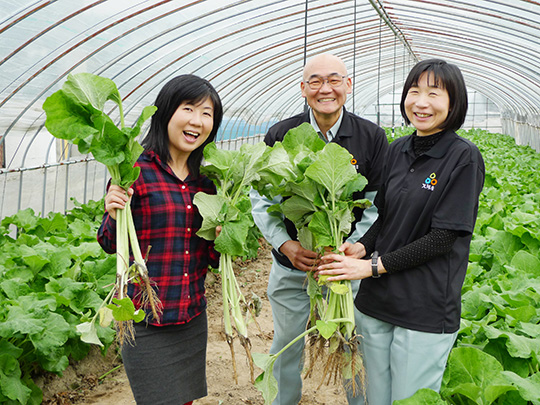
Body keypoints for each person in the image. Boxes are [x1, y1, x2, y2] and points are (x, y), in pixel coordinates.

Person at [317, 59, 485, 404]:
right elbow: (386, 217)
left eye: (433, 94)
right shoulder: (397, 150)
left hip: (424, 306)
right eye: (414, 92)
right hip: (377, 300)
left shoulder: (462, 157)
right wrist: (361, 248)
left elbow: (443, 237)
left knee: (410, 399)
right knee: (374, 397)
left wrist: (372, 267)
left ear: (454, 103)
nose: (421, 103)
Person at [250, 53, 389, 404]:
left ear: (348, 85)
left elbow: (377, 204)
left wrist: (355, 247)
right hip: (293, 266)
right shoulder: (281, 134)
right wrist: (286, 245)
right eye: (315, 81)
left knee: (354, 343)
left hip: (348, 271)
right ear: (302, 88)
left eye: (334, 80)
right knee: (286, 343)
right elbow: (262, 201)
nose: (325, 89)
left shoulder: (371, 137)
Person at [97, 74, 223, 405]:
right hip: (144, 316)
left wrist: (221, 239)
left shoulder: (208, 183)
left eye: (207, 113)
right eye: (188, 109)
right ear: (166, 112)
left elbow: (211, 259)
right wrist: (112, 213)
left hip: (191, 314)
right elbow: (109, 243)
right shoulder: (133, 169)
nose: (197, 121)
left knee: (185, 400)